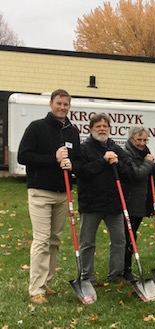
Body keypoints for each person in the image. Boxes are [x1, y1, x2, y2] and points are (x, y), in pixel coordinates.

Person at [17, 89, 81, 304]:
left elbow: (78, 160)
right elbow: (24, 156)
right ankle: (36, 289)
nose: (62, 108)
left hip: (63, 193)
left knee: (54, 240)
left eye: (66, 104)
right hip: (40, 192)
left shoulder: (72, 132)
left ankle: (46, 282)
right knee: (42, 240)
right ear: (51, 103)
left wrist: (73, 165)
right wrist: (52, 158)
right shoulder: (37, 127)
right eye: (59, 103)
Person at [74, 113, 133, 285]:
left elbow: (129, 171)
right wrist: (102, 161)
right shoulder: (84, 148)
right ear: (91, 129)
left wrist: (118, 163)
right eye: (98, 126)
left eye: (105, 126)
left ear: (109, 129)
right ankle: (86, 276)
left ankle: (115, 275)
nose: (102, 129)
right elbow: (81, 172)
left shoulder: (116, 148)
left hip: (114, 204)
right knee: (87, 242)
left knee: (119, 240)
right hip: (91, 203)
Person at [122, 126, 155, 281]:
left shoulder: (145, 153)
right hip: (129, 201)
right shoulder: (126, 154)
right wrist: (148, 163)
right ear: (131, 140)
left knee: (132, 236)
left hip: (141, 201)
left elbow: (153, 174)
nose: (142, 143)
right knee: (127, 237)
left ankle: (125, 267)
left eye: (145, 140)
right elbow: (137, 174)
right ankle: (123, 268)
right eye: (139, 140)